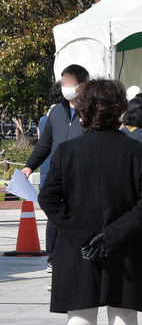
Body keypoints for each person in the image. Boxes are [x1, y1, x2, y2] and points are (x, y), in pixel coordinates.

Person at [38, 79, 142, 325]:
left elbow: (48, 198)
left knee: (80, 316)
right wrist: (112, 235)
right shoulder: (136, 151)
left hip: (77, 248)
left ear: (82, 109)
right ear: (120, 109)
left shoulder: (67, 151)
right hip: (126, 246)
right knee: (124, 314)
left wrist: (84, 236)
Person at [23, 64, 89, 277]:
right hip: (58, 174)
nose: (65, 88)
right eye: (63, 84)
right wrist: (28, 166)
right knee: (54, 217)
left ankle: (81, 256)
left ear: (82, 85)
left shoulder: (92, 111)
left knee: (80, 216)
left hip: (83, 176)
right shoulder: (56, 113)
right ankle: (53, 259)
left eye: (69, 83)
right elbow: (44, 144)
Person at [36, 81, 63, 274]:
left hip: (47, 170)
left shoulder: (44, 118)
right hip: (58, 169)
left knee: (52, 215)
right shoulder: (57, 116)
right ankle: (56, 256)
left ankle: (52, 258)